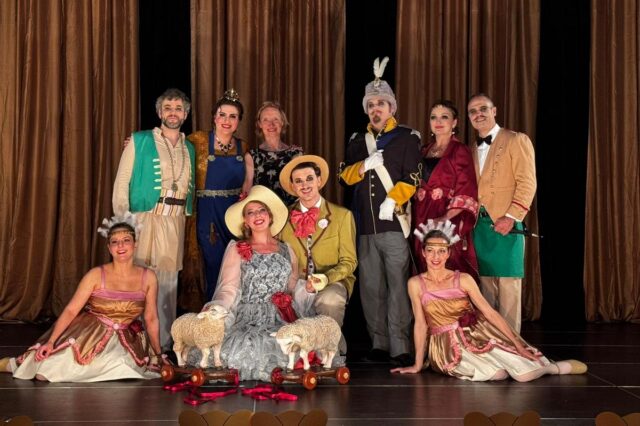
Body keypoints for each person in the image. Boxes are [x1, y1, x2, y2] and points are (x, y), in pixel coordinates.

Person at [391, 227, 587, 381]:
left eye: (441, 251)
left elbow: (489, 313)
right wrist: (418, 364)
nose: (436, 257)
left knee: (523, 375)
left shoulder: (463, 279)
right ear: (423, 253)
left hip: (476, 335)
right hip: (445, 346)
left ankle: (553, 368)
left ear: (449, 253)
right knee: (496, 374)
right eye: (431, 251)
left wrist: (517, 344)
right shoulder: (415, 283)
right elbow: (420, 324)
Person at [0, 220, 165, 382]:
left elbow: (151, 318)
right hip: (90, 335)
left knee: (121, 365)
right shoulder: (95, 275)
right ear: (109, 248)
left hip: (125, 339)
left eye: (126, 240)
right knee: (43, 373)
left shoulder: (148, 277)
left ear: (135, 244)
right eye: (115, 242)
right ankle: (13, 364)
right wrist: (50, 342)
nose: (120, 246)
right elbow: (71, 310)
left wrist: (158, 355)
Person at [339, 57, 421, 367]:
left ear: (391, 107)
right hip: (364, 226)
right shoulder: (357, 141)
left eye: (381, 104)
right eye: (371, 105)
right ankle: (379, 343)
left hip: (392, 223)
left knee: (398, 286)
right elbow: (344, 176)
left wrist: (393, 200)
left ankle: (400, 345)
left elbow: (413, 176)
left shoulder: (407, 137)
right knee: (371, 287)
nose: (376, 109)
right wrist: (363, 166)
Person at [187, 185, 313, 381]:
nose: (257, 215)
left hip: (282, 316)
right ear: (245, 221)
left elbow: (291, 287)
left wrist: (308, 289)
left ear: (270, 216)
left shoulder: (286, 249)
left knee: (296, 345)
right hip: (249, 317)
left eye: (261, 210)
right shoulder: (237, 248)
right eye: (250, 212)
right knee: (249, 347)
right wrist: (217, 307)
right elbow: (229, 288)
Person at [112, 88, 196, 350]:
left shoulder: (190, 147)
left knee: (167, 281)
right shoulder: (139, 140)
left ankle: (162, 345)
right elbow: (122, 181)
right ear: (160, 112)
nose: (173, 113)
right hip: (144, 217)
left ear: (185, 114)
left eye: (178, 108)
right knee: (136, 277)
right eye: (168, 108)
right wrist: (123, 222)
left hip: (174, 219)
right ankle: (131, 341)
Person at [467, 93, 537, 332]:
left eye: (483, 108)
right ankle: (491, 344)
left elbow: (527, 183)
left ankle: (513, 345)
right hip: (479, 227)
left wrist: (511, 216)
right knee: (485, 288)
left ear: (494, 111)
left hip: (508, 224)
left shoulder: (516, 140)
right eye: (473, 111)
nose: (478, 114)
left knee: (508, 286)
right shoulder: (471, 149)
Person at [278, 155, 357, 353]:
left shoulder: (342, 216)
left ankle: (329, 353)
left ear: (319, 181)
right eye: (298, 181)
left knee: (330, 300)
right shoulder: (283, 217)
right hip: (296, 282)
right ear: (293, 186)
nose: (304, 185)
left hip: (332, 282)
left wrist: (325, 278)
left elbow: (349, 261)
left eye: (309, 178)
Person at [185, 89, 252, 301]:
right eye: (222, 115)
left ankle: (233, 310)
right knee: (213, 262)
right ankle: (213, 311)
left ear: (239, 121)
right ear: (214, 117)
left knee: (235, 263)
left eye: (233, 116)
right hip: (208, 213)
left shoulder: (244, 146)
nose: (226, 120)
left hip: (234, 214)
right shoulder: (197, 140)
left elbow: (249, 182)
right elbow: (171, 148)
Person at [412, 100, 479, 280]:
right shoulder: (423, 150)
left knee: (448, 265)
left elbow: (466, 190)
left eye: (444, 117)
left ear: (454, 122)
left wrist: (444, 219)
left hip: (448, 219)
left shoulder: (460, 150)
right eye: (433, 117)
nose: (438, 121)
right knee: (423, 265)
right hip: (422, 216)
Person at [246, 101, 303, 205]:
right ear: (259, 124)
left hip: (292, 210)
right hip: (264, 212)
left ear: (282, 122)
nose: (271, 124)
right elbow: (247, 189)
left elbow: (303, 185)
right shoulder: (252, 156)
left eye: (275, 119)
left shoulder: (296, 153)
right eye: (265, 120)